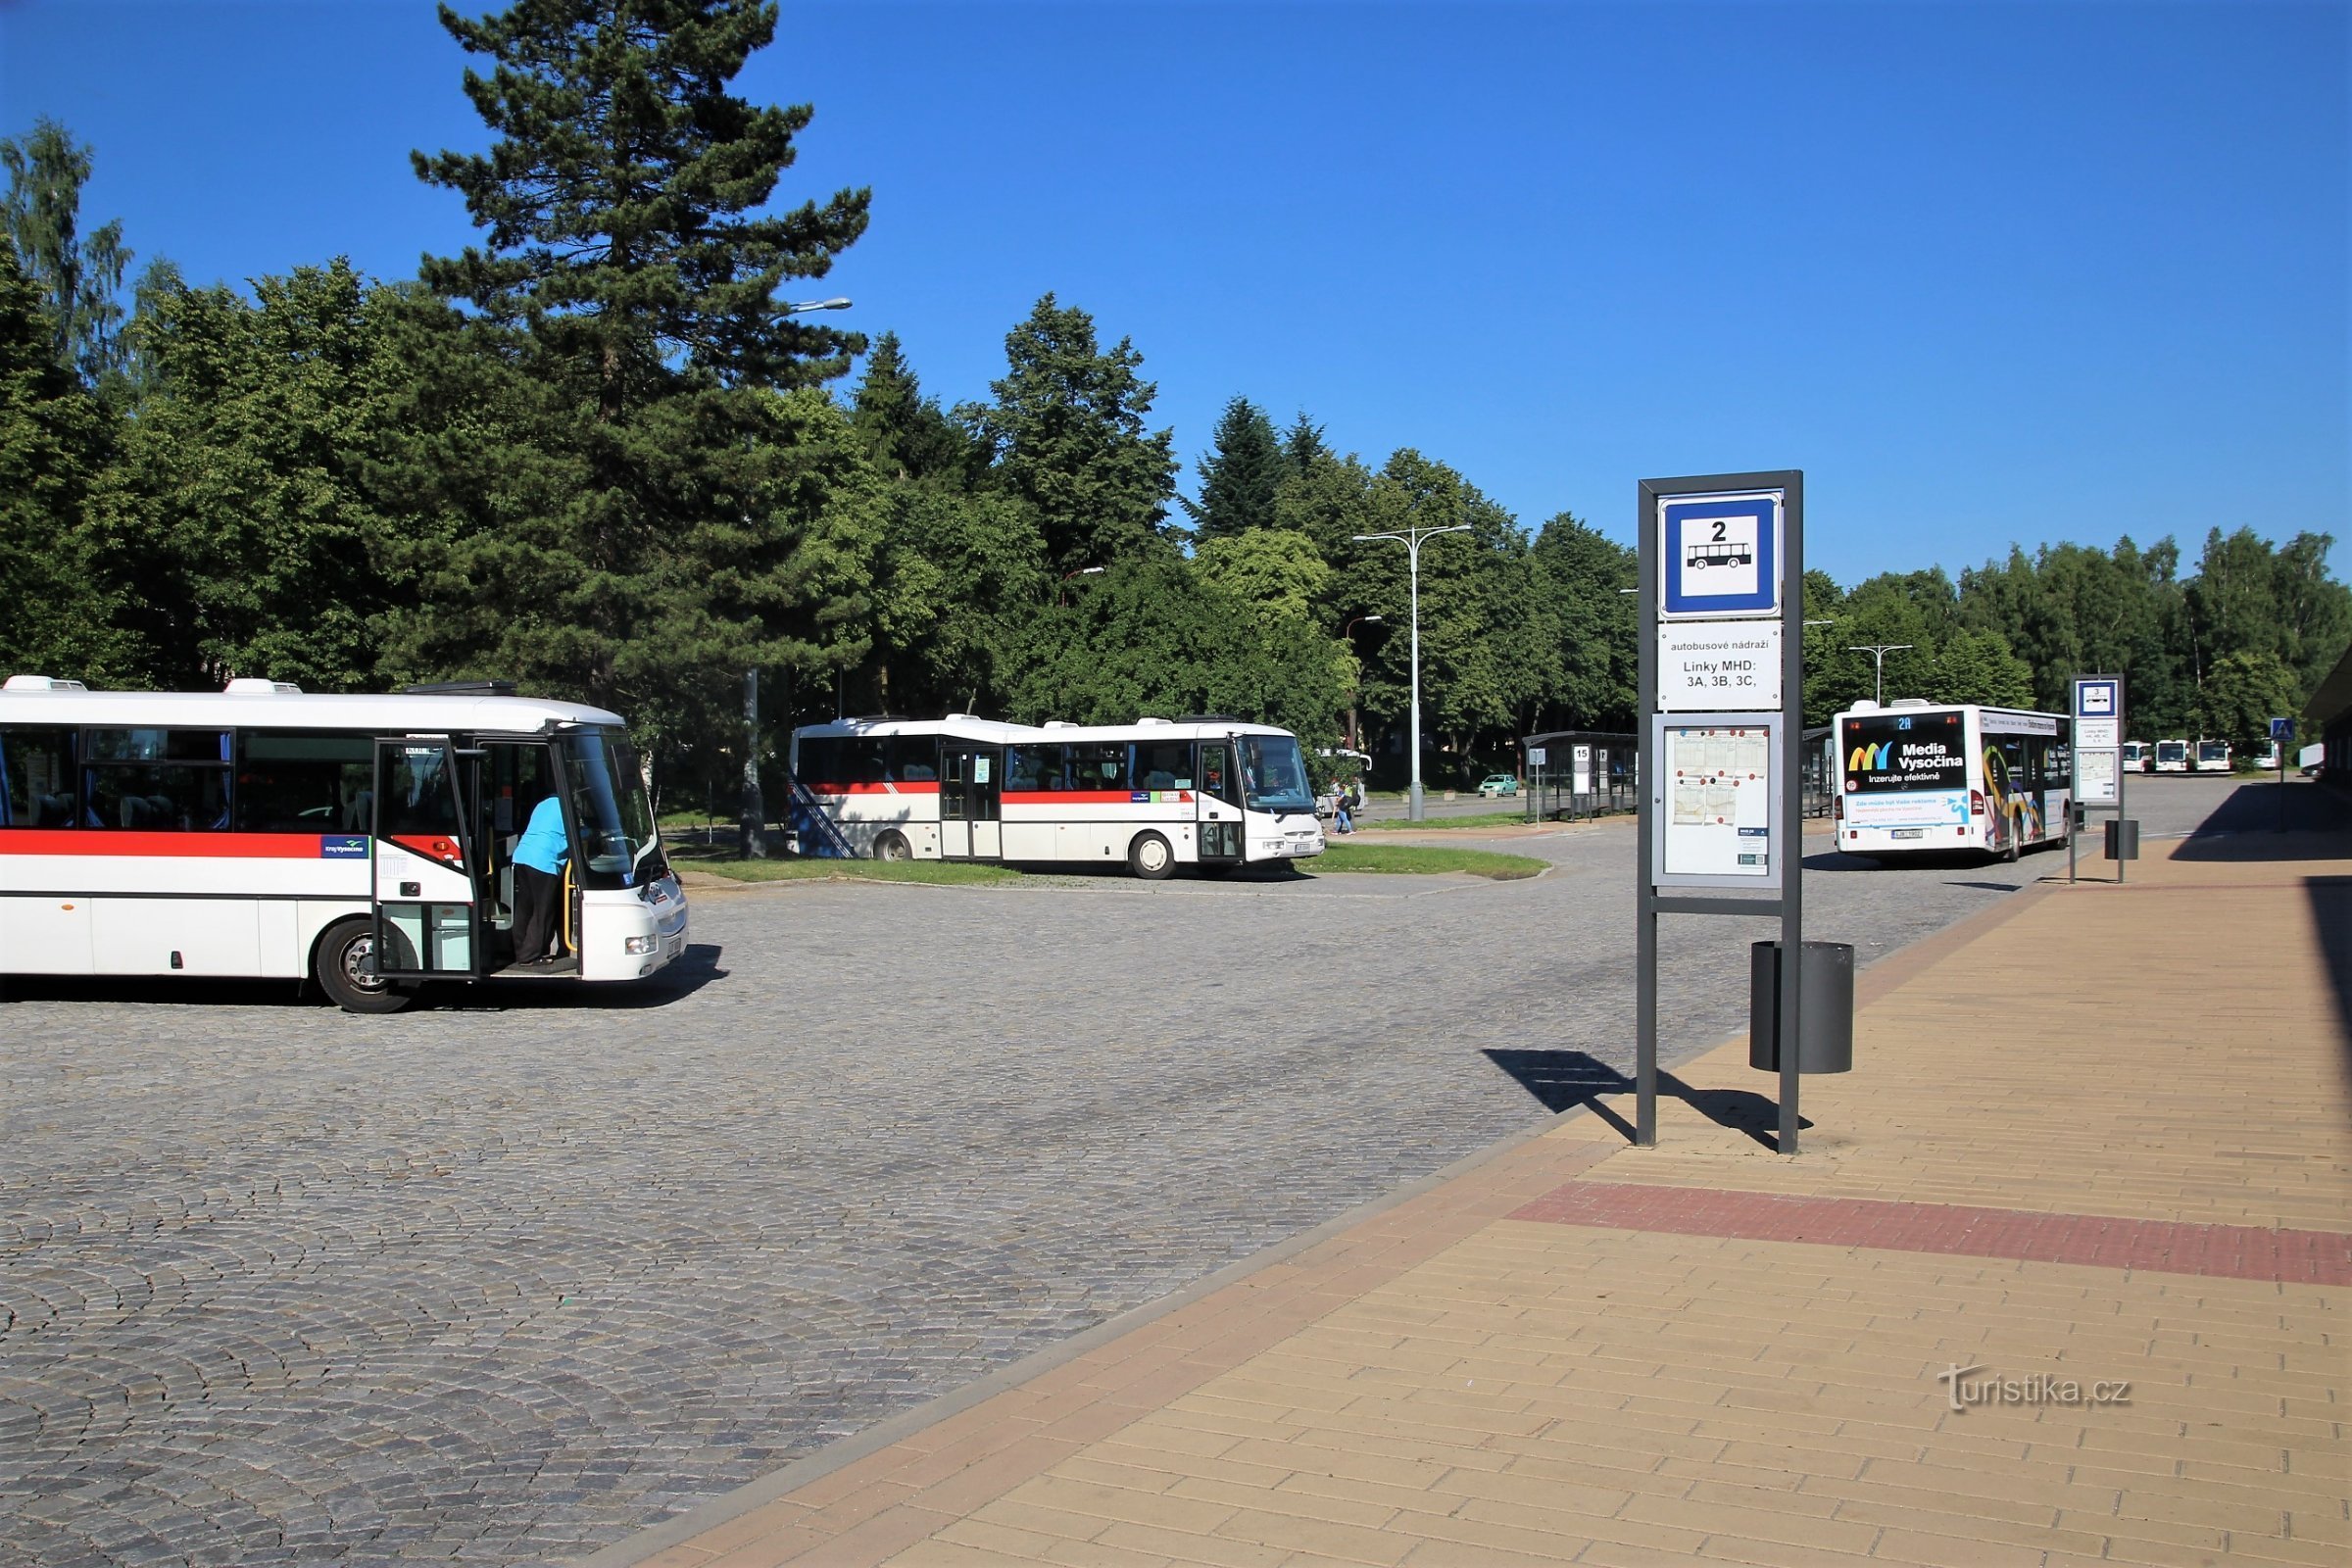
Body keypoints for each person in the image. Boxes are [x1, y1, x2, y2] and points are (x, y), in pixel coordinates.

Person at [511, 793, 569, 966]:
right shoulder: (567, 807)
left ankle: (520, 950)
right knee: (543, 911)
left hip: (522, 856)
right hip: (543, 861)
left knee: (525, 907)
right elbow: (575, 834)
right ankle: (530, 956)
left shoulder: (542, 804)